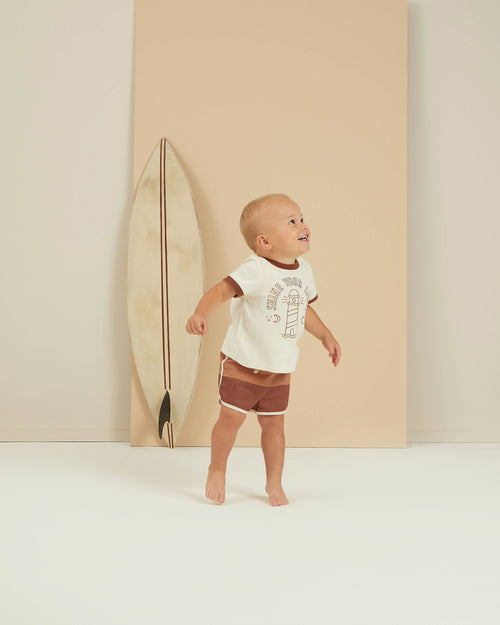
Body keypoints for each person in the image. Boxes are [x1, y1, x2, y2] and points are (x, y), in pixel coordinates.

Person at [186, 193, 341, 506]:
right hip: (243, 363)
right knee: (231, 419)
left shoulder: (303, 271)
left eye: (301, 218)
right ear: (265, 241)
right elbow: (222, 291)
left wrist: (325, 335)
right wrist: (200, 313)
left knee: (274, 425)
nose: (303, 225)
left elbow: (303, 308)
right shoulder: (256, 269)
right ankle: (217, 469)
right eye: (292, 222)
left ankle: (274, 482)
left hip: (279, 367)